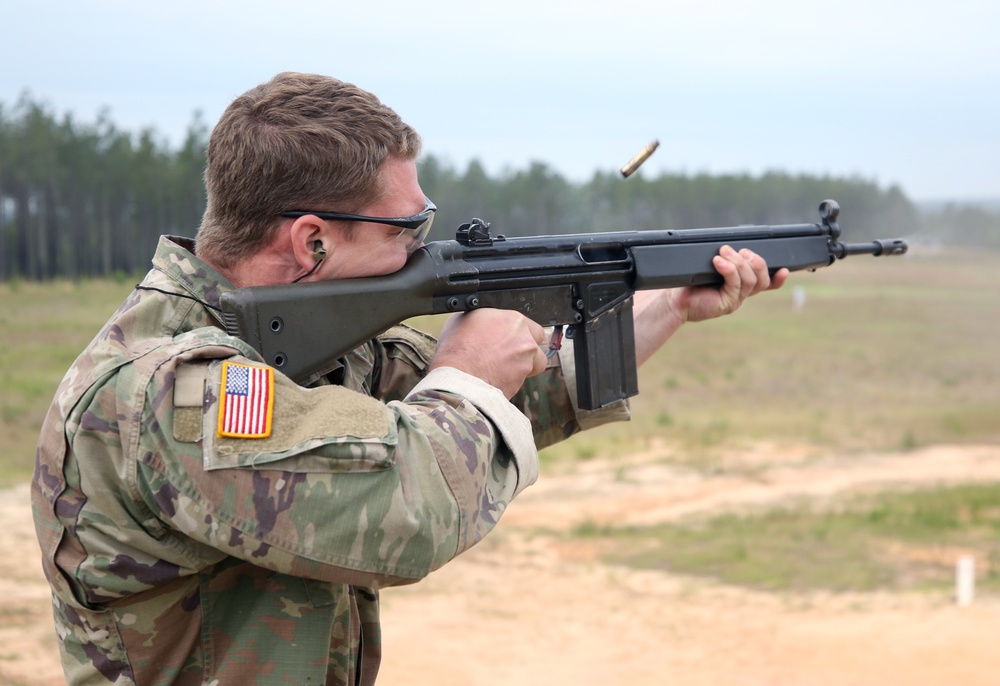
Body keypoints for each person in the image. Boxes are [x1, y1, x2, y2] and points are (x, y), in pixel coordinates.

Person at [32, 72, 788, 686]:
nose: (423, 248)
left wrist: (664, 307)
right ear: (313, 241)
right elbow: (403, 515)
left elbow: (507, 402)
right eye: (408, 230)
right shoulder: (168, 393)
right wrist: (464, 371)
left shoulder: (306, 350)